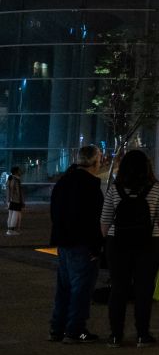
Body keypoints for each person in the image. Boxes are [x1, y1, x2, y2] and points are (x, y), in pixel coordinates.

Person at [100, 150, 159, 348]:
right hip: (149, 243)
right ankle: (142, 334)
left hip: (118, 243)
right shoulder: (156, 188)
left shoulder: (115, 188)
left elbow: (105, 220)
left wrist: (110, 239)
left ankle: (115, 335)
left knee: (118, 289)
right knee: (144, 289)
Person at [49, 145, 104, 343]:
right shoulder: (90, 186)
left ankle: (57, 328)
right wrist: (96, 246)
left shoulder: (64, 182)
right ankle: (75, 330)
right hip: (83, 244)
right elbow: (94, 219)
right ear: (94, 162)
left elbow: (55, 212)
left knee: (64, 287)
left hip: (64, 242)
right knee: (81, 289)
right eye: (99, 159)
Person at [5, 165, 24, 235]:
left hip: (9, 199)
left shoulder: (9, 179)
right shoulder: (16, 180)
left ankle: (9, 230)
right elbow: (18, 191)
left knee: (10, 215)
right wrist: (21, 201)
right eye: (19, 170)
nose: (20, 171)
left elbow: (7, 190)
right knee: (15, 215)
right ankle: (12, 230)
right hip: (15, 200)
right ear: (16, 172)